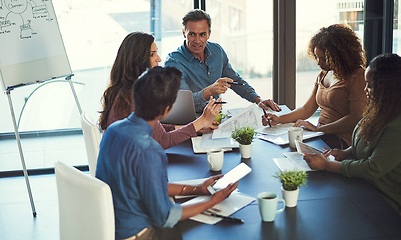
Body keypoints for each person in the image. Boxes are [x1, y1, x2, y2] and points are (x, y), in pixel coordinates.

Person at [96, 66, 238, 240]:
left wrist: (198, 189)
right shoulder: (150, 150)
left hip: (112, 226)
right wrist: (212, 202)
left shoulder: (112, 130)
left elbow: (148, 184)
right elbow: (165, 217)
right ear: (166, 111)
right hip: (138, 234)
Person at [303, 53, 401, 214]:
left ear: (388, 87)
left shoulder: (397, 124)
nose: (365, 90)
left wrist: (328, 165)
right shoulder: (381, 108)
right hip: (363, 187)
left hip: (386, 203)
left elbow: (373, 168)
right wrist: (345, 153)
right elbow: (366, 141)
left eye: (370, 85)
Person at [99, 32, 222, 149]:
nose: (158, 59)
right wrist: (203, 120)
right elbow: (162, 140)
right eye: (152, 54)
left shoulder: (124, 90)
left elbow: (154, 129)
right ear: (138, 61)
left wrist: (194, 127)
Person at [262, 24, 367, 149]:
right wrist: (278, 119)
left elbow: (356, 118)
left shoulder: (358, 76)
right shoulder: (324, 74)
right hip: (321, 134)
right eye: (316, 57)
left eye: (324, 59)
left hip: (343, 141)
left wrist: (318, 129)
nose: (318, 63)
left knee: (293, 150)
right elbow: (307, 109)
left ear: (340, 56)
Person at [165, 9, 280, 113]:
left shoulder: (217, 51)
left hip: (217, 117)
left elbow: (235, 80)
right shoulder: (173, 63)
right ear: (184, 33)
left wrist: (258, 99)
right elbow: (182, 105)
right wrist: (208, 92)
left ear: (209, 34)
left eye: (202, 34)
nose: (197, 40)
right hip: (192, 123)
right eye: (192, 34)